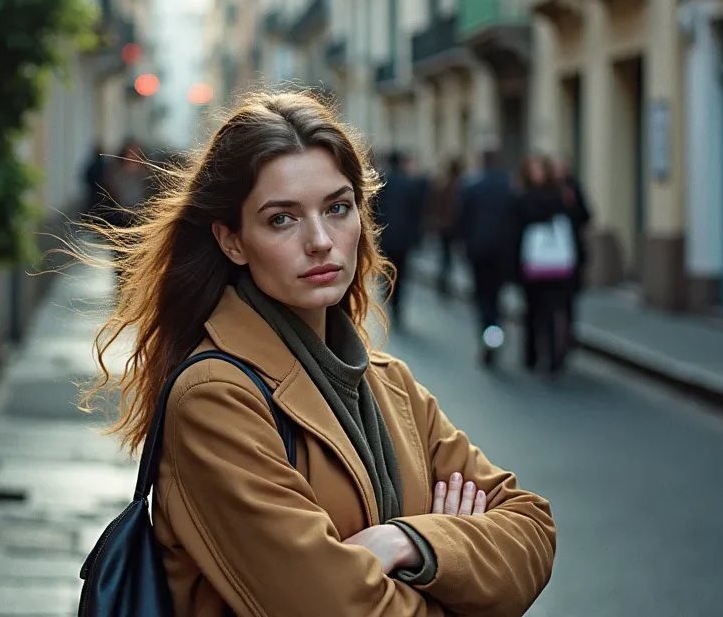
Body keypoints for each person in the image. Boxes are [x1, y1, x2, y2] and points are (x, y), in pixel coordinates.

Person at [81, 93, 556, 616]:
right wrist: (464, 574)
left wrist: (411, 544)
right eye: (282, 219)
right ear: (232, 241)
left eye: (337, 208)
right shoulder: (216, 398)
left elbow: (531, 527)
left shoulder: (387, 383)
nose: (321, 241)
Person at [456, 150, 517, 367]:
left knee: (482, 299)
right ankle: (494, 334)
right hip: (502, 252)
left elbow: (461, 219)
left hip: (478, 250)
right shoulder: (509, 186)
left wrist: (463, 245)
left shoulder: (472, 186)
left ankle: (488, 336)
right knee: (496, 298)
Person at [515, 155, 572, 376]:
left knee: (552, 311)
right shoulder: (522, 197)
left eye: (540, 169)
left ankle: (553, 356)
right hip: (531, 265)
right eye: (533, 170)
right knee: (531, 311)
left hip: (555, 266)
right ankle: (531, 354)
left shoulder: (559, 195)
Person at [373, 151, 424, 325]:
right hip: (403, 237)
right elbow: (416, 212)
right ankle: (397, 304)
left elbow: (373, 211)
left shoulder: (380, 182)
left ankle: (389, 299)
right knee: (401, 271)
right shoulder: (409, 183)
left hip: (385, 235)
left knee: (387, 270)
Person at [550, 155, 592, 353]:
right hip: (548, 255)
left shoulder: (574, 189)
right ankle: (554, 332)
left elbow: (586, 215)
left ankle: (567, 330)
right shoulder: (547, 191)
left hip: (570, 252)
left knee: (569, 296)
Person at [428, 159, 465, 297]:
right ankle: (444, 282)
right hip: (450, 226)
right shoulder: (459, 186)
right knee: (448, 256)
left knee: (446, 256)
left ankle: (443, 281)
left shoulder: (443, 184)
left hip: (444, 226)